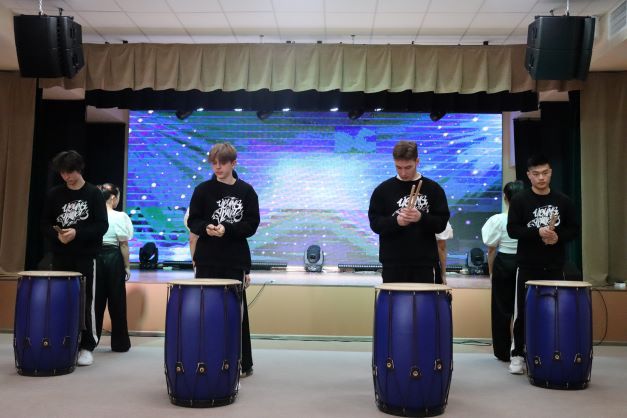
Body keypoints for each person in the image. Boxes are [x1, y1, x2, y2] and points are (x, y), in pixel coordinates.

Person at [186, 143, 260, 378]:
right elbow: (193, 220)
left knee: (235, 313)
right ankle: (206, 359)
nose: (217, 167)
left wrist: (227, 229)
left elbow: (251, 225)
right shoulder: (202, 190)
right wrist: (206, 228)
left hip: (234, 260)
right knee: (206, 311)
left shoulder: (246, 191)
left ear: (233, 163)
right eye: (214, 163)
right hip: (207, 259)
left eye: (223, 163)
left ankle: (241, 362)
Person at [506, 155, 580, 375]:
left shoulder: (563, 200)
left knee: (553, 311)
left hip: (555, 265)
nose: (541, 178)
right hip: (527, 265)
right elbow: (513, 230)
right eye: (536, 174)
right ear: (528, 175)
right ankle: (518, 354)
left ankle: (550, 350)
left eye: (545, 173)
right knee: (522, 311)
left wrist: (558, 237)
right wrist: (537, 232)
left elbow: (574, 229)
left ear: (551, 173)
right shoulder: (520, 200)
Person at [41, 150, 108, 366]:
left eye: (70, 172)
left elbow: (102, 226)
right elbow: (44, 223)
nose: (66, 177)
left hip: (86, 256)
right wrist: (57, 235)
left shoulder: (94, 194)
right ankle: (64, 341)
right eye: (62, 173)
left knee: (86, 300)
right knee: (61, 299)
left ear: (79, 169)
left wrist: (77, 233)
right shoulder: (54, 194)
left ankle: (87, 346)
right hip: (61, 256)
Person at [368, 140, 450, 283]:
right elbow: (375, 224)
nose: (403, 173)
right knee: (393, 298)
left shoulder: (433, 189)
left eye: (408, 167)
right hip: (392, 263)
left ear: (417, 161)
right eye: (398, 167)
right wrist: (396, 221)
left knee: (424, 298)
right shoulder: (382, 190)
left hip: (424, 263)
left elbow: (441, 224)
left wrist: (421, 217)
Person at [481, 180, 525, 362]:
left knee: (501, 308)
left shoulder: (498, 219)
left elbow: (491, 249)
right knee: (522, 309)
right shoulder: (528, 219)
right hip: (525, 263)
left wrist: (492, 273)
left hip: (504, 262)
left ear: (505, 198)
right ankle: (522, 349)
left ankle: (503, 351)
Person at [95, 183, 134, 352]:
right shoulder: (120, 216)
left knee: (95, 302)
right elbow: (123, 244)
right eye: (117, 197)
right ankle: (120, 344)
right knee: (117, 301)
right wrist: (127, 266)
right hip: (113, 257)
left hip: (95, 257)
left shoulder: (94, 214)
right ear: (112, 198)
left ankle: (90, 342)